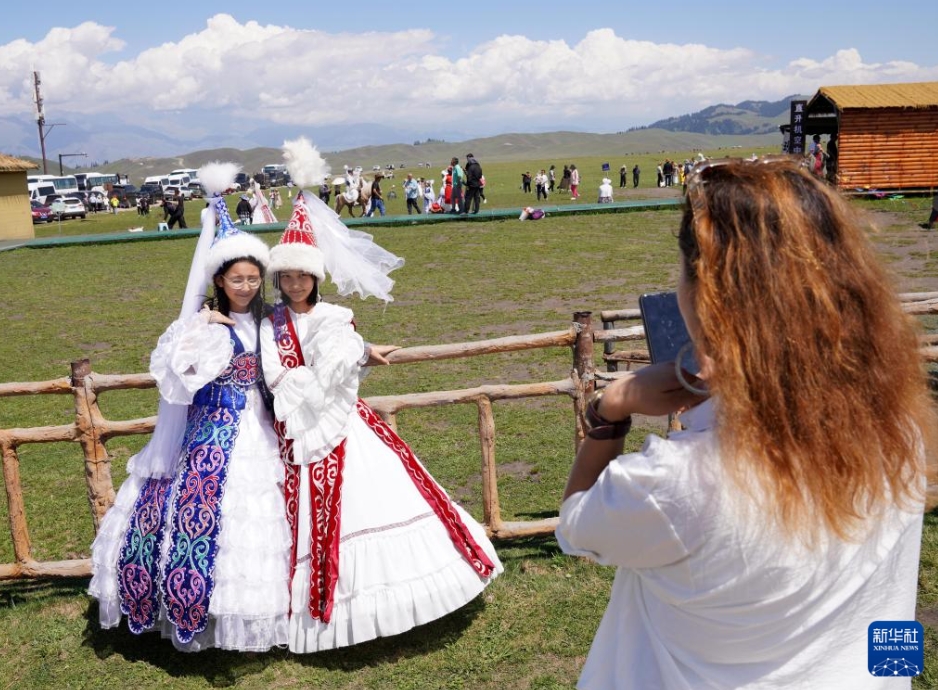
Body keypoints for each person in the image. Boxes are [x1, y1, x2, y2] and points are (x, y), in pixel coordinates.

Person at [556, 156, 937, 689]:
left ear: (705, 298)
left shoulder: (673, 483)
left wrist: (609, 410)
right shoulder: (901, 433)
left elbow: (574, 528)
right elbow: (889, 597)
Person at [259, 190, 502, 652]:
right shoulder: (270, 325)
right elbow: (277, 376)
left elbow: (335, 361)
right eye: (286, 276)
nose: (294, 284)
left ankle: (392, 606)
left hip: (341, 424)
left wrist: (355, 352)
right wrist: (342, 362)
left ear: (315, 277)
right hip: (296, 430)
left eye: (302, 276)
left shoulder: (336, 316)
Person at [89, 166, 290, 652]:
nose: (246, 286)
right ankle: (192, 607)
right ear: (219, 279)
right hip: (211, 430)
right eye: (236, 279)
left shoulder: (270, 319)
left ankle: (258, 611)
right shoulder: (204, 325)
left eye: (253, 278)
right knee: (198, 515)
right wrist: (200, 330)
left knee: (261, 521)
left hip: (261, 425)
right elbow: (178, 376)